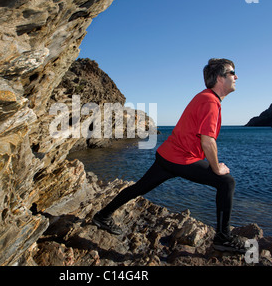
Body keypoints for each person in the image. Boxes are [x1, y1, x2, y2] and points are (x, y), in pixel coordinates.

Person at [92, 58, 246, 253]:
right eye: (232, 72)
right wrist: (217, 168)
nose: (236, 76)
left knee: (139, 187)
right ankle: (223, 238)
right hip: (180, 159)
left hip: (167, 156)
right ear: (219, 78)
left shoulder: (205, 97)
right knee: (226, 182)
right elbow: (207, 141)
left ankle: (102, 216)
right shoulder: (210, 101)